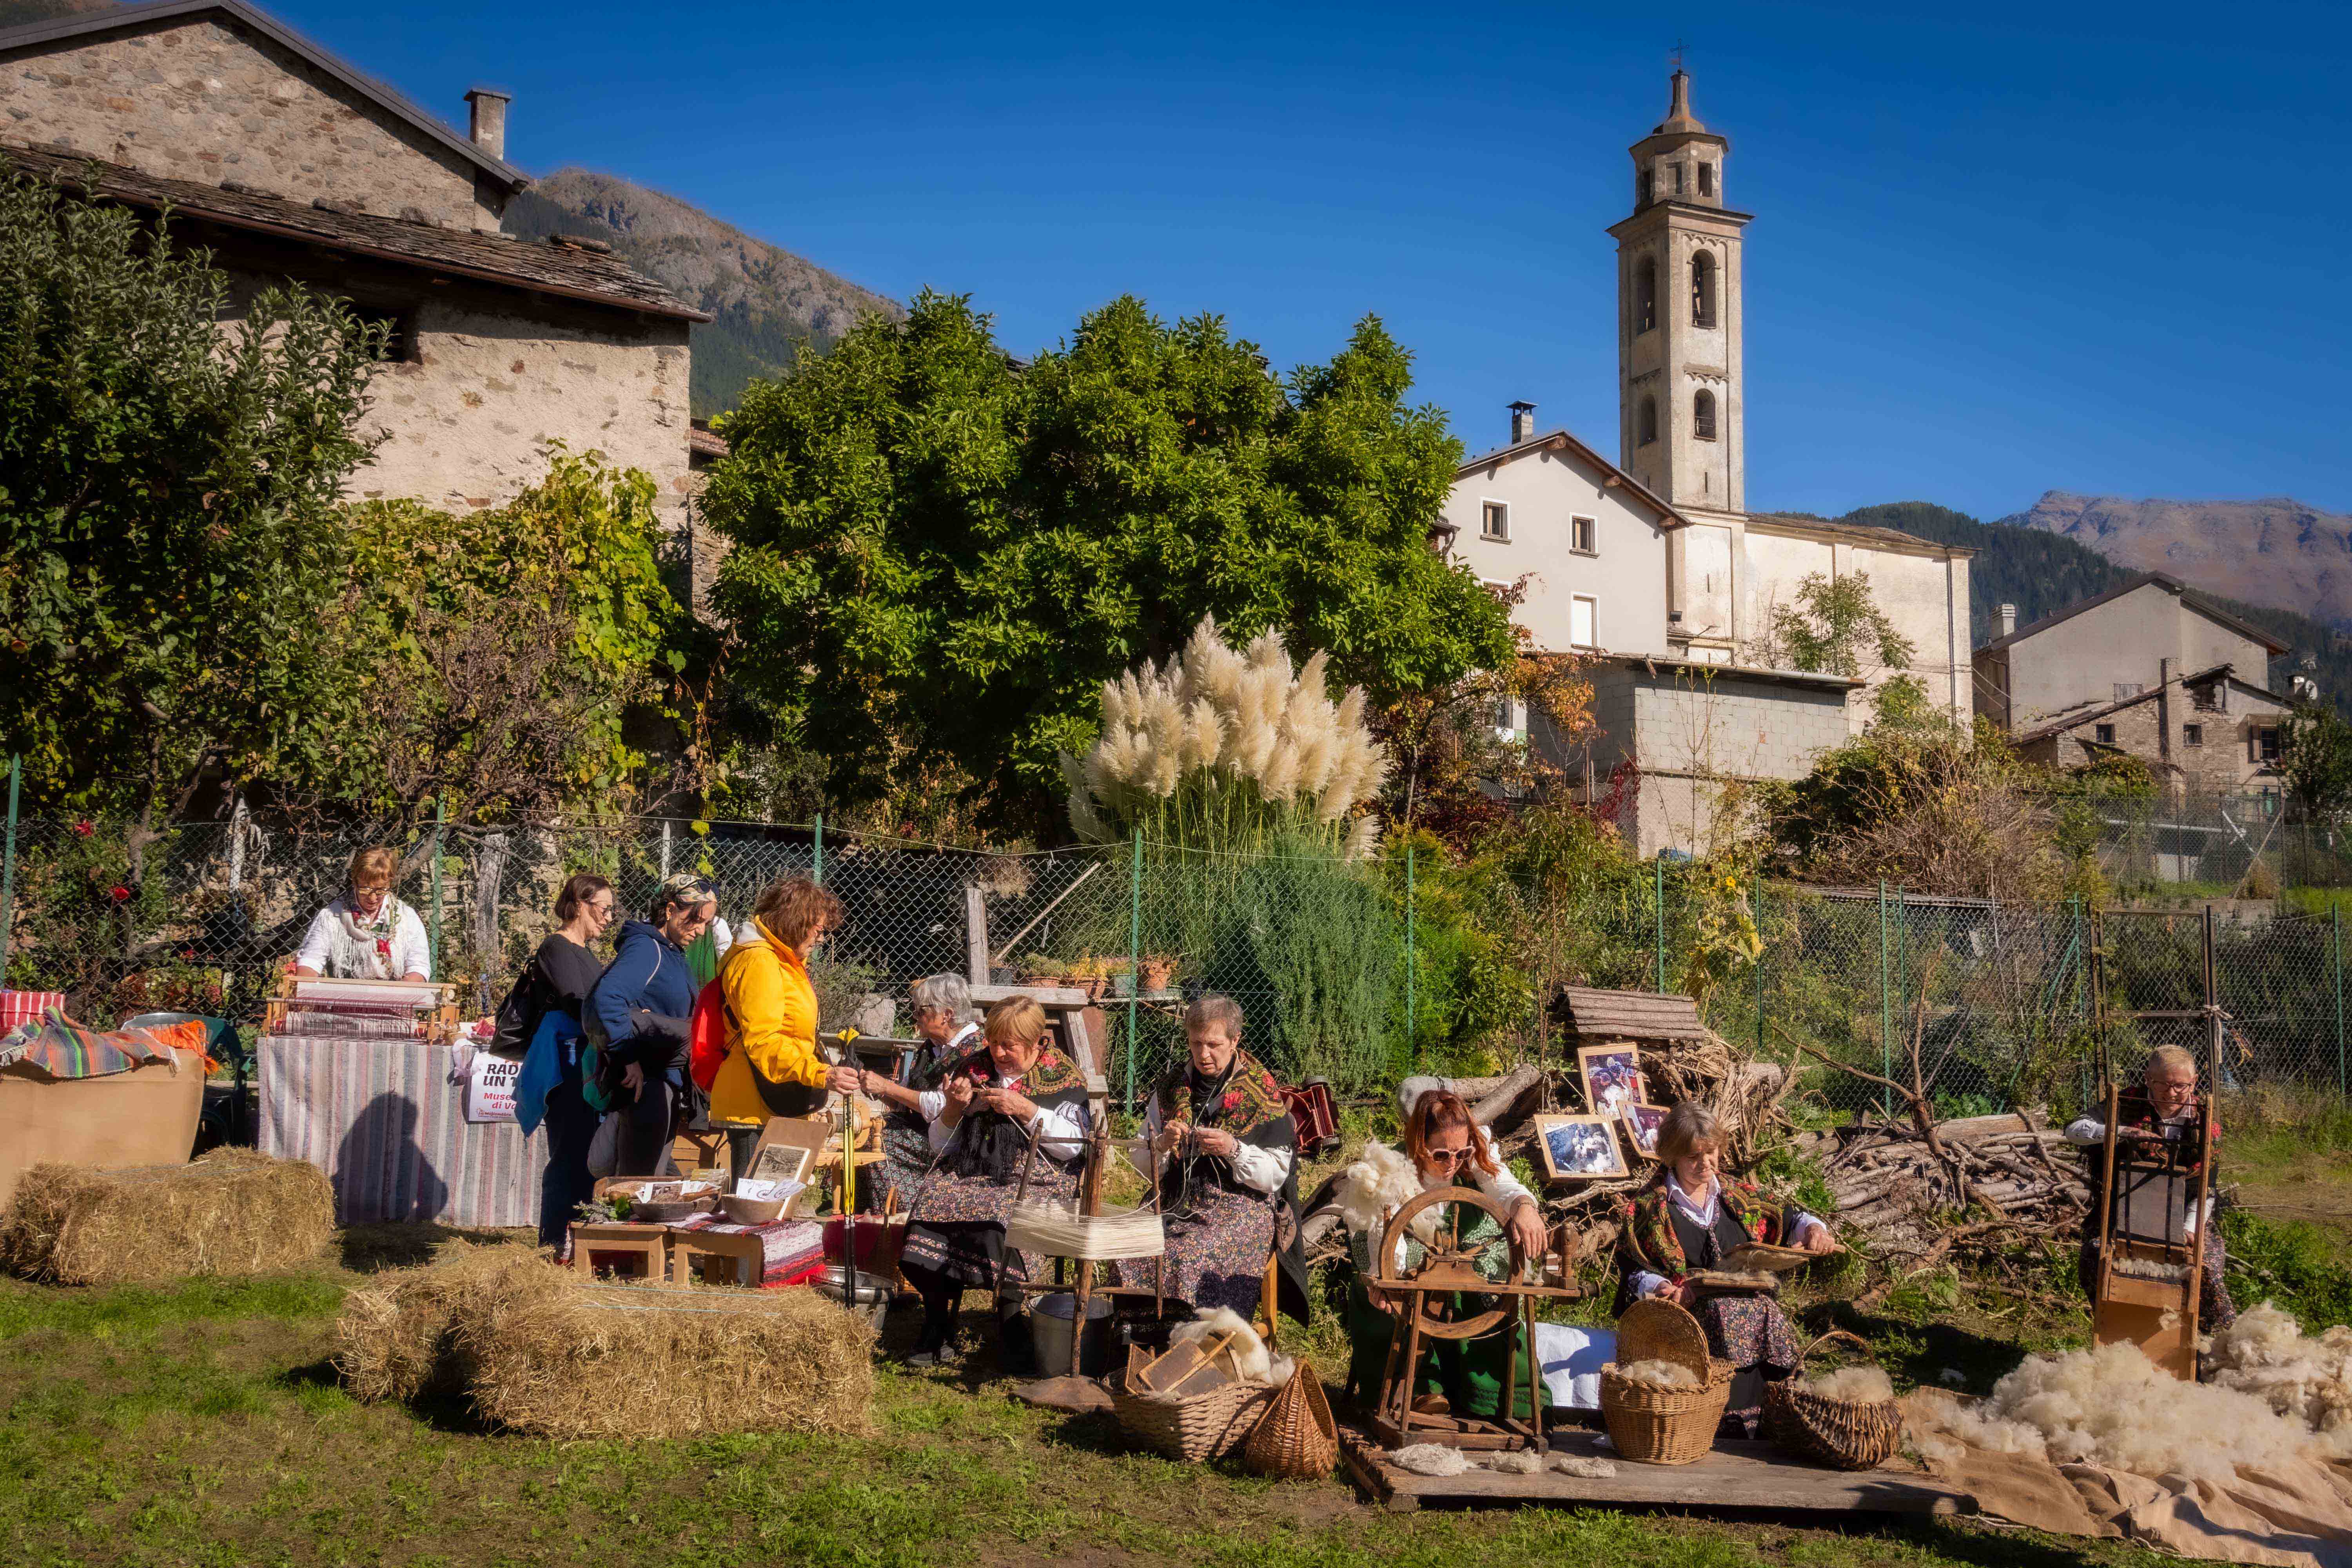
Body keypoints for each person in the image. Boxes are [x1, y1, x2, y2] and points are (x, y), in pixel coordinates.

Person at [1616, 1102, 1836, 1432]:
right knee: (1722, 1312)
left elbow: (1789, 1220)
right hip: (1686, 1314)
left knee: (1767, 1312)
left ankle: (1778, 1412)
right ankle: (1723, 1421)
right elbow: (1633, 1270)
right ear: (1672, 1156)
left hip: (1753, 1306)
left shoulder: (1739, 1198)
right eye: (1693, 1156)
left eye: (1711, 1152)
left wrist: (1815, 1231)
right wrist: (1661, 1287)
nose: (1705, 1164)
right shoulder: (1649, 1209)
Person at [897, 995, 1090, 1369]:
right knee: (928, 1205)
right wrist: (954, 1108)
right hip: (974, 1173)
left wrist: (1027, 1110)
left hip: (1038, 1178)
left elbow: (1075, 1148)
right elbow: (941, 1144)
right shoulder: (973, 1069)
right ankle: (938, 1322)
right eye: (994, 1042)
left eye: (1010, 1045)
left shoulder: (1063, 1076)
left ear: (1037, 1044)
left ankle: (1012, 1326)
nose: (998, 1053)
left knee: (1002, 1215)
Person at [1344, 1088, 1549, 1419]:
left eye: (1460, 1153)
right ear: (1419, 1145)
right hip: (1398, 1254)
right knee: (1391, 1296)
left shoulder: (1472, 1153)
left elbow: (1502, 1182)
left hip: (1459, 1255)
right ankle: (1417, 1389)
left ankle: (1511, 1396)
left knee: (1492, 1285)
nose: (1453, 1164)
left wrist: (1525, 1207)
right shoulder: (1391, 1171)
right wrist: (1388, 1280)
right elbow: (1380, 1234)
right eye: (1441, 1155)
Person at [1110, 996, 1307, 1322]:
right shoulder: (1173, 1087)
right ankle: (1142, 1343)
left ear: (1235, 1041)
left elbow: (1276, 1175)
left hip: (1241, 1205)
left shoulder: (1259, 1090)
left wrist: (1234, 1149)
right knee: (1127, 1243)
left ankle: (1200, 1345)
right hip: (1177, 1197)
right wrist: (1161, 1144)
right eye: (1196, 1043)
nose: (1203, 1054)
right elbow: (1144, 1164)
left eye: (1214, 1044)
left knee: (1190, 1254)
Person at [2065, 1044, 2235, 1332]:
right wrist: (2123, 1132)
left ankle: (2209, 1346)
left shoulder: (2205, 1123)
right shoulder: (2125, 1104)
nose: (2171, 1093)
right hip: (2125, 1213)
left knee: (2206, 1271)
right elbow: (2073, 1131)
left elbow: (2208, 1189)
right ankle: (2118, 1332)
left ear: (2194, 1083)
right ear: (2148, 1079)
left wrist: (2191, 1229)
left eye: (2180, 1086)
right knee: (2095, 1257)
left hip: (2184, 1216)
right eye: (2163, 1085)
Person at [708, 877, 863, 1181]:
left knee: (777, 1208)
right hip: (755, 1105)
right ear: (796, 922)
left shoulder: (780, 960)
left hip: (773, 1101)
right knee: (758, 1210)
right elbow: (764, 1041)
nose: (821, 939)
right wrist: (822, 1074)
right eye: (818, 930)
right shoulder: (760, 962)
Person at [589, 873, 717, 1178]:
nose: (700, 932)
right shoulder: (648, 950)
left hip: (663, 1085)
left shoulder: (670, 952)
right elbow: (608, 998)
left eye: (705, 924)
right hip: (646, 1088)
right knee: (637, 1190)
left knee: (654, 1183)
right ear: (670, 910)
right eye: (695, 920)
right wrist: (626, 1056)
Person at [514, 873, 615, 1250]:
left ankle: (577, 1241)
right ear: (580, 904)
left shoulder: (586, 954)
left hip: (585, 1060)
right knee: (569, 1152)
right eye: (604, 909)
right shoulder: (557, 948)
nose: (608, 917)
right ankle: (555, 1240)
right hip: (566, 1061)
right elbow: (579, 1003)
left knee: (585, 1153)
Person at [854, 972, 982, 1212]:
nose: (915, 1016)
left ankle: (898, 1216)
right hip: (920, 1131)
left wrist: (886, 1087)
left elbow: (940, 1106)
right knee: (864, 1130)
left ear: (947, 1015)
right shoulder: (932, 1048)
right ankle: (861, 1217)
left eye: (921, 1011)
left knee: (880, 1142)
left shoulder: (976, 1050)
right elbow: (905, 1095)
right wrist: (872, 1085)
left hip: (952, 1139)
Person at [292, 847, 431, 980]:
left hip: (393, 1000)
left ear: (390, 884)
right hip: (343, 998)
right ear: (355, 883)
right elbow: (311, 960)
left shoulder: (407, 918)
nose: (373, 898)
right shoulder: (332, 916)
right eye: (365, 890)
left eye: (381, 891)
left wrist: (401, 996)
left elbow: (418, 967)